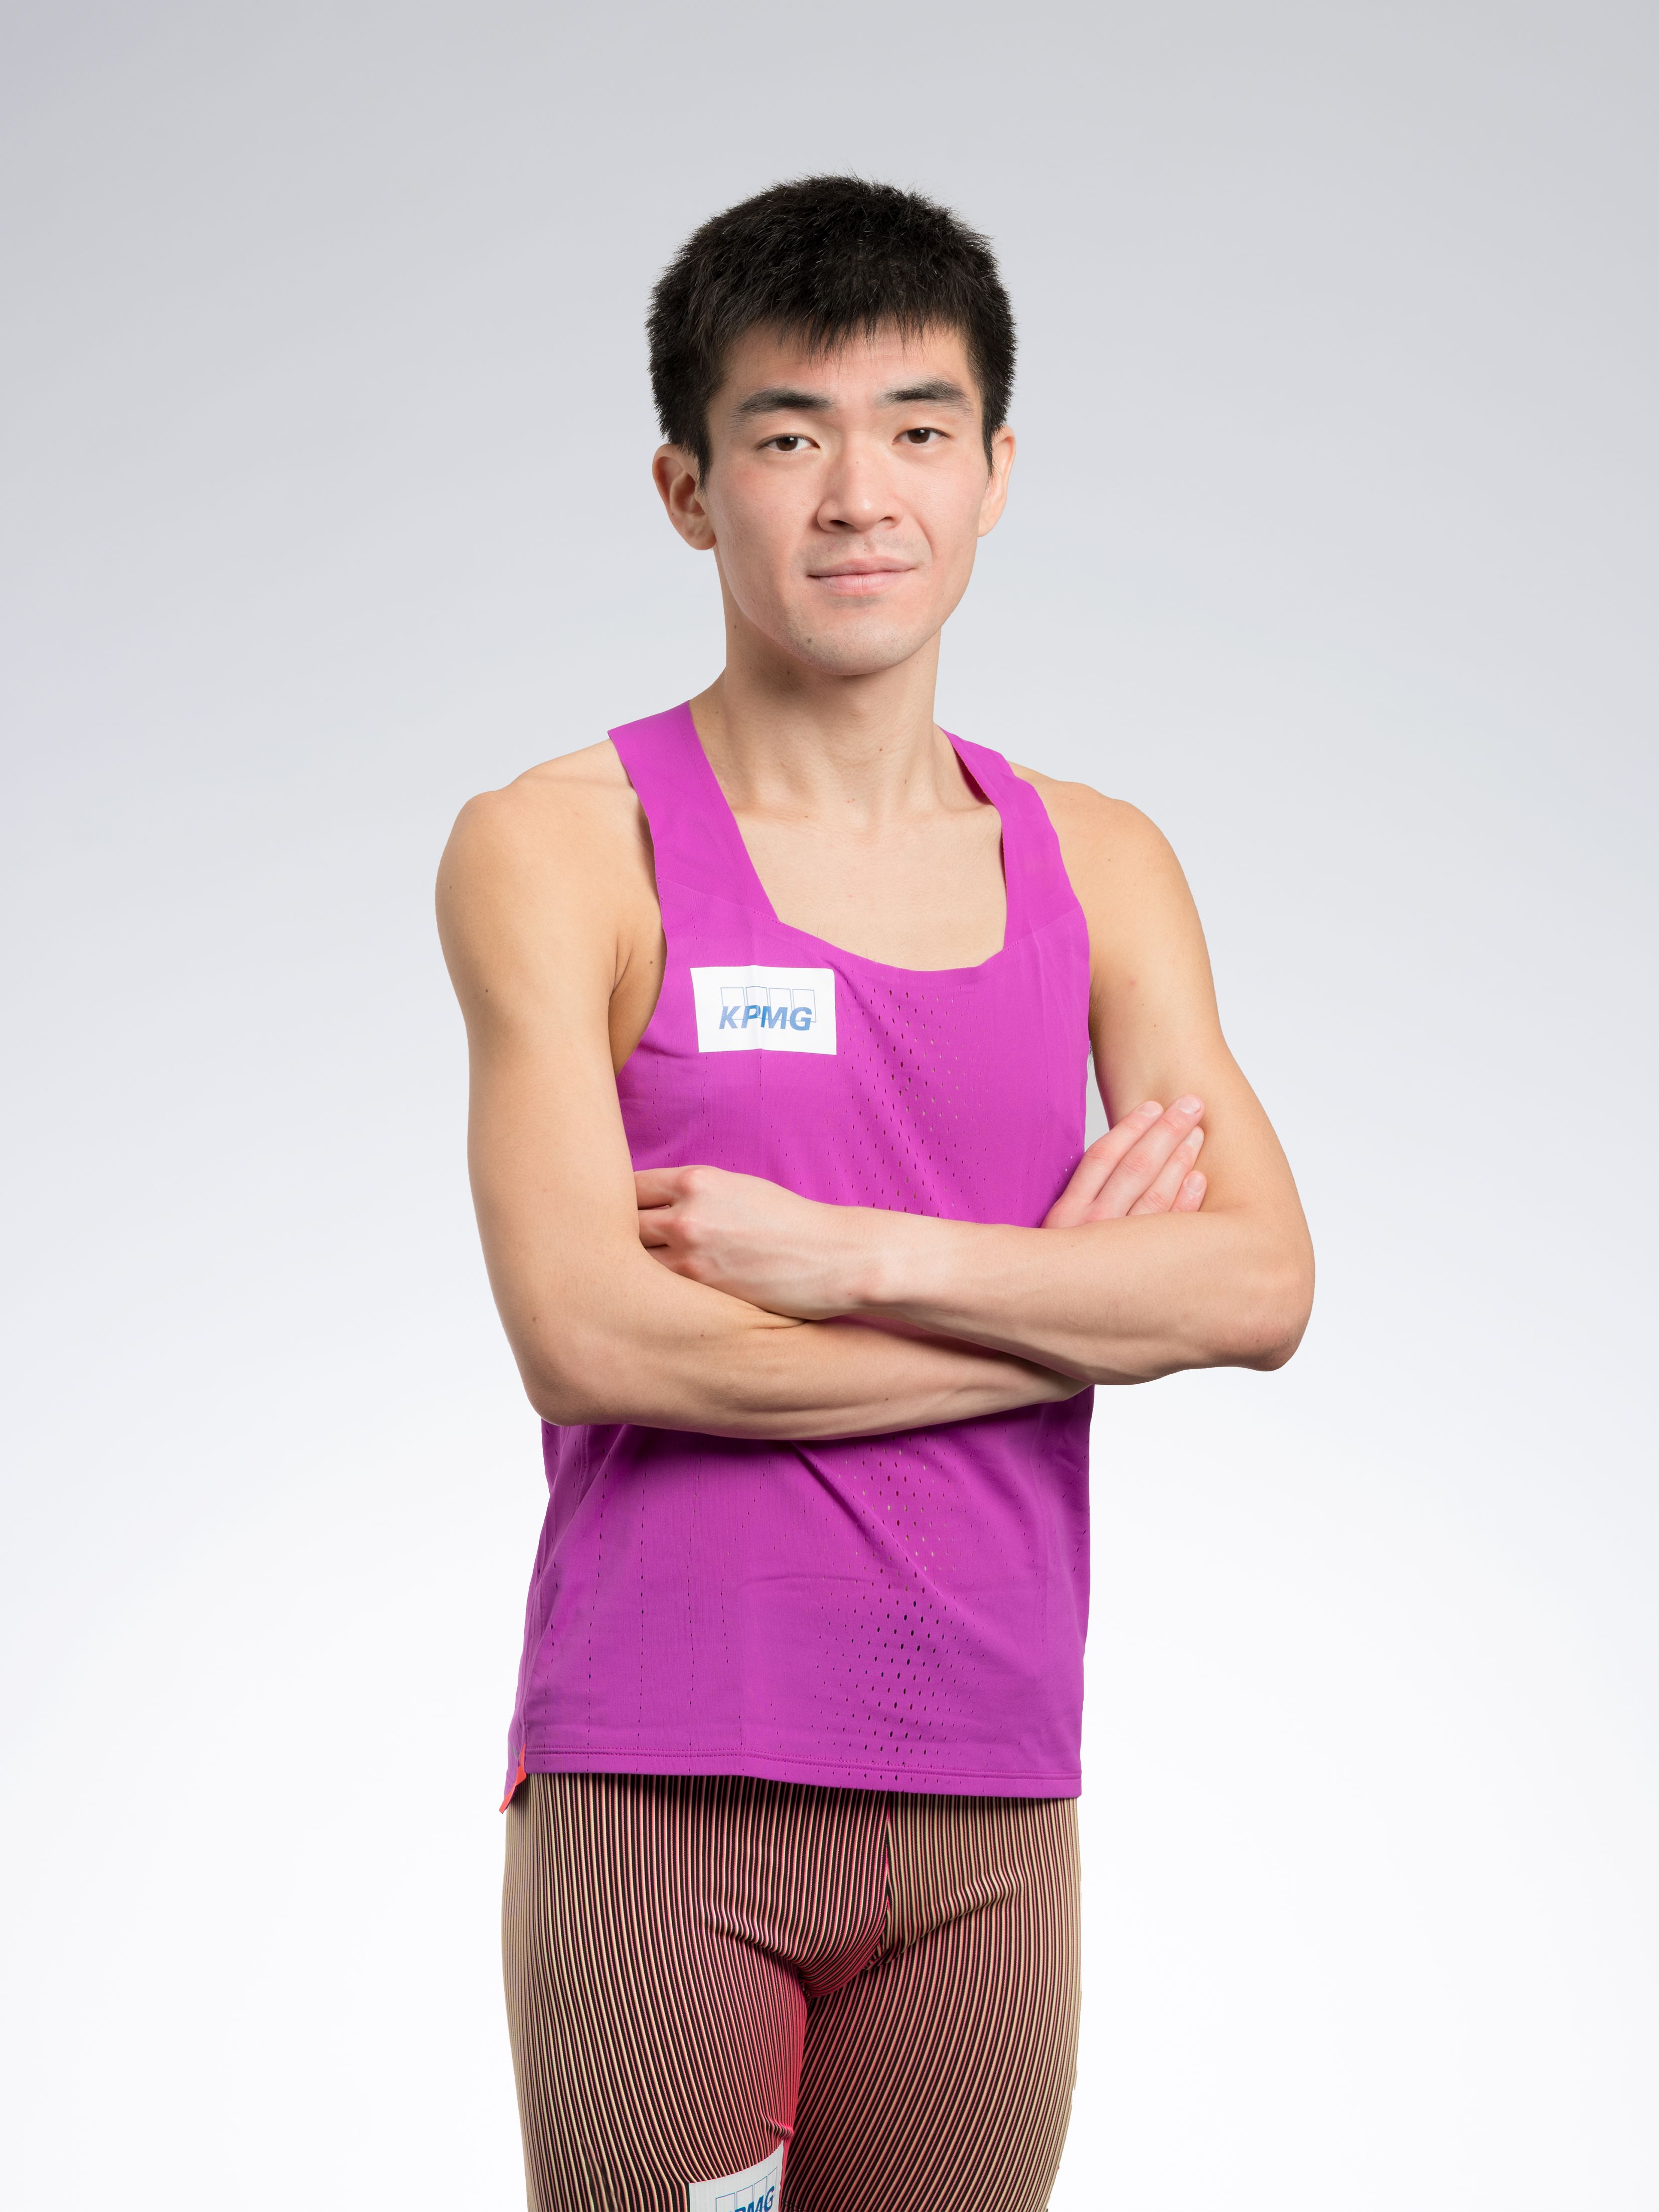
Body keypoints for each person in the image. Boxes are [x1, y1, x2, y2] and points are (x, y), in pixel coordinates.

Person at [436, 175, 1314, 2212]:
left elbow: (1258, 1282)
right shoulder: (560, 846)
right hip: (666, 1775)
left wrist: (847, 1257)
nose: (858, 495)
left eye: (918, 428)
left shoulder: (1099, 858)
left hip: (995, 1787)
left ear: (993, 472)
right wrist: (1061, 1317)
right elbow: (590, 1338)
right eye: (786, 435)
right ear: (688, 487)